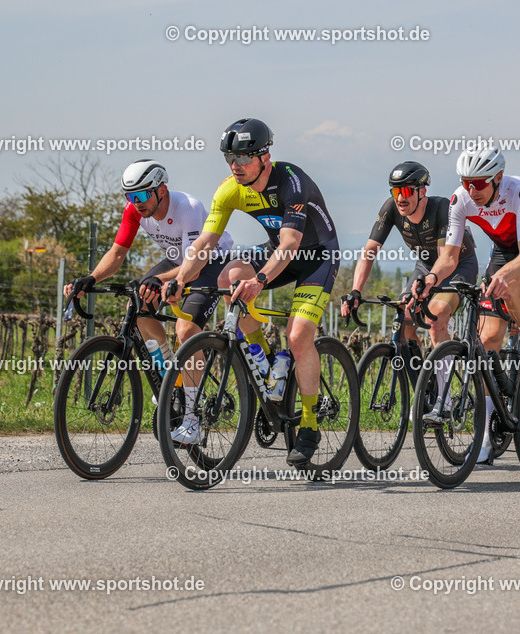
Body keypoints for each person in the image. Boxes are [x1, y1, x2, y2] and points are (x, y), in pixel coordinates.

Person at [198, 118, 340, 465]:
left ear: (265, 157)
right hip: (278, 253)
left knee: (298, 335)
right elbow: (204, 243)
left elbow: (290, 243)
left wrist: (260, 280)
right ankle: (263, 360)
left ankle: (309, 425)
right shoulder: (230, 189)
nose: (235, 166)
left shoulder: (291, 181)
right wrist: (175, 281)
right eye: (230, 158)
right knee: (229, 277)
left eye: (243, 158)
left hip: (316, 256)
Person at [64, 159, 234, 444]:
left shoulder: (188, 208)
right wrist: (91, 278)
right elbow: (117, 253)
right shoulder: (134, 210)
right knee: (138, 305)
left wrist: (160, 279)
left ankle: (192, 420)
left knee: (186, 330)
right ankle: (171, 379)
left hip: (210, 263)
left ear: (161, 190)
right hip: (177, 260)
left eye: (142, 194)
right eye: (130, 196)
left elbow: (194, 263)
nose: (136, 202)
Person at [417, 146, 520, 464]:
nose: (473, 190)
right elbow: (449, 257)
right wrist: (431, 278)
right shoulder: (460, 200)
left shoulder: (519, 191)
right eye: (466, 182)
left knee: (510, 284)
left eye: (479, 183)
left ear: (498, 177)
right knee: (486, 342)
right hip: (504, 252)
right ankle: (483, 436)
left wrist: (504, 276)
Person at [340, 161, 478, 355]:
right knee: (402, 319)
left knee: (436, 317)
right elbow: (369, 251)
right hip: (425, 266)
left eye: (406, 191)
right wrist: (355, 291)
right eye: (395, 192)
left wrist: (428, 285)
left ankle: (443, 373)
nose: (400, 199)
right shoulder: (391, 208)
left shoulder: (441, 208)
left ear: (422, 191)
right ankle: (418, 369)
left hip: (457, 267)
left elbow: (446, 259)